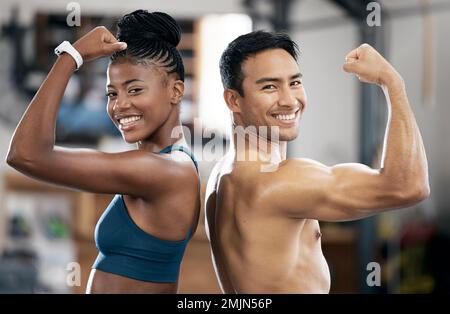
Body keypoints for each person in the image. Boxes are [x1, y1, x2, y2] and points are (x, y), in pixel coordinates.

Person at [204, 31, 430, 293]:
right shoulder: (278, 180)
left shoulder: (221, 177)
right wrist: (393, 83)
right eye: (270, 86)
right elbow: (409, 186)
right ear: (234, 100)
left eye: (295, 82)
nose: (289, 100)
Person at [6, 10, 200, 293]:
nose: (119, 105)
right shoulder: (167, 161)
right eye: (112, 93)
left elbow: (25, 154)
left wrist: (71, 56)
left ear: (175, 91)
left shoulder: (166, 170)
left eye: (134, 90)